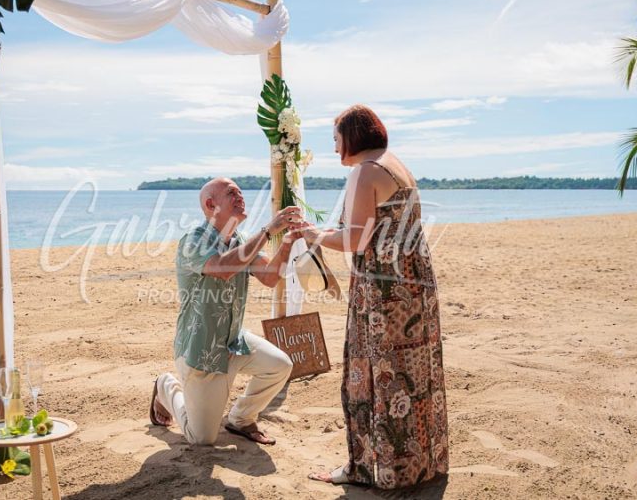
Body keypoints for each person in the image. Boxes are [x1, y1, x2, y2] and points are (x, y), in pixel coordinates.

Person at [303, 105, 449, 487]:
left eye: (336, 139)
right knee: (413, 374)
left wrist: (309, 235)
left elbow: (355, 240)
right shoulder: (394, 164)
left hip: (383, 289)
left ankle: (370, 468)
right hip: (414, 283)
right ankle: (419, 465)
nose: (335, 148)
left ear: (351, 136)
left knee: (373, 374)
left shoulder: (364, 172)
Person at [150, 177, 302, 445]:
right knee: (202, 439)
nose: (241, 196)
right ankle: (166, 387)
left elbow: (269, 277)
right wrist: (268, 231)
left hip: (233, 343)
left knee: (280, 365)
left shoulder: (242, 240)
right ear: (210, 204)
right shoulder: (193, 240)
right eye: (232, 193)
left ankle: (240, 419)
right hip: (201, 350)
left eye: (241, 192)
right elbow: (223, 268)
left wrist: (288, 242)